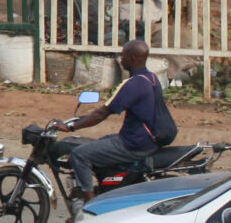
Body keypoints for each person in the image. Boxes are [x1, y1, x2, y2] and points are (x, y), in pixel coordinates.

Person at [59, 40, 174, 200]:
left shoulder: (133, 84)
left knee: (80, 154)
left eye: (123, 55)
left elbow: (102, 113)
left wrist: (71, 127)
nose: (121, 59)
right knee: (101, 141)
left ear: (132, 58)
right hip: (148, 139)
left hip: (135, 143)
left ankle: (89, 205)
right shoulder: (151, 78)